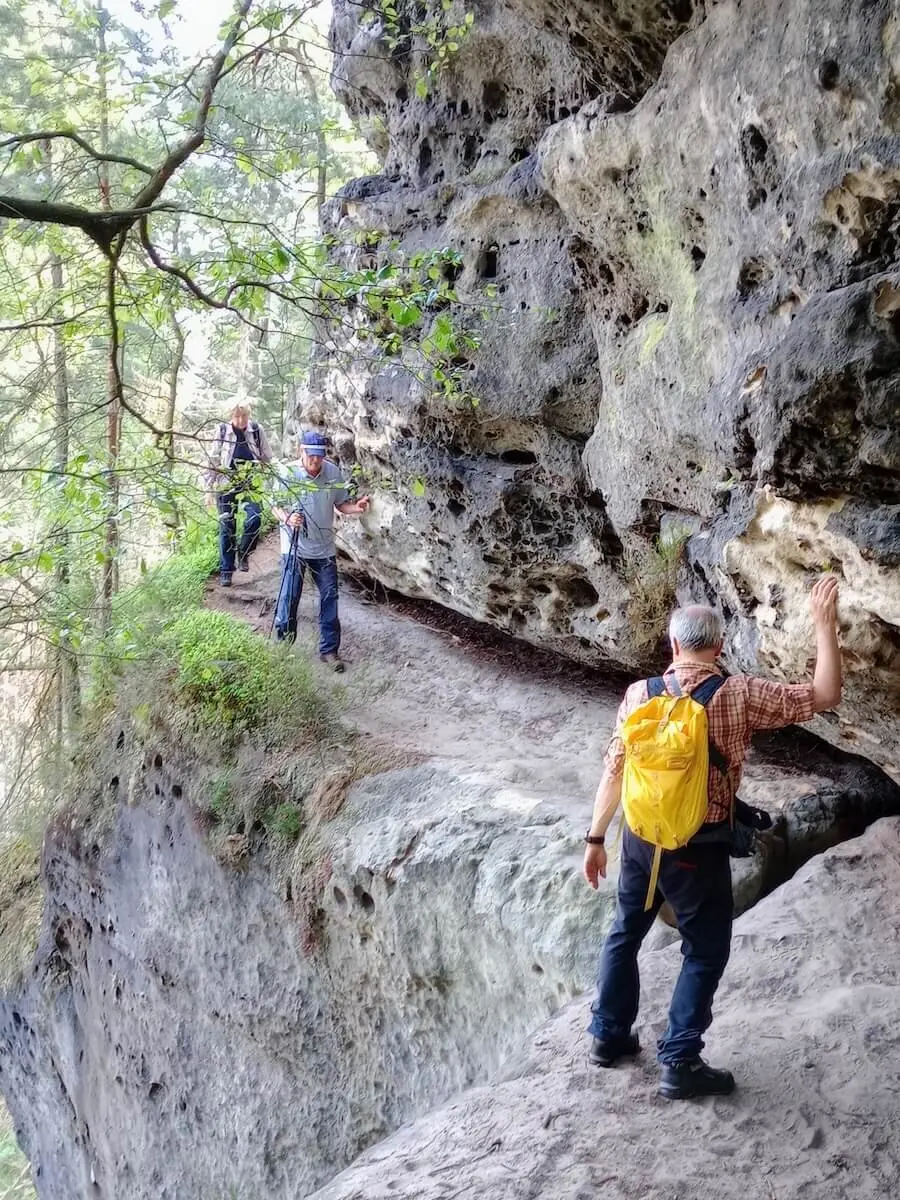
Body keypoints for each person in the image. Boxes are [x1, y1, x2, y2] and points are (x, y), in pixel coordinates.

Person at [583, 577, 842, 1099]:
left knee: (624, 933)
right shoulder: (739, 693)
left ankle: (608, 1038)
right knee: (704, 950)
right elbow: (824, 695)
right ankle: (679, 1060)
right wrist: (822, 624)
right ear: (719, 648)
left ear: (673, 645)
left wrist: (594, 839)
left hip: (639, 839)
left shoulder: (639, 694)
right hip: (696, 849)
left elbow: (614, 771)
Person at [271, 431, 370, 672]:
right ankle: (283, 647)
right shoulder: (288, 473)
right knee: (289, 596)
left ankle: (329, 651)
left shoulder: (332, 472)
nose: (316, 461)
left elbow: (340, 504)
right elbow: (274, 504)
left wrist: (355, 508)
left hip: (324, 548)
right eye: (311, 456)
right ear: (301, 452)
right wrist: (287, 518)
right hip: (294, 547)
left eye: (320, 456)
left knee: (330, 597)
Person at [204, 404, 274, 587]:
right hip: (226, 483)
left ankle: (244, 552)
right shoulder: (221, 432)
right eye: (237, 416)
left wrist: (267, 478)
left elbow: (267, 457)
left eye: (244, 416)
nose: (241, 420)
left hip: (251, 482)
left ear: (248, 415)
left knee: (255, 518)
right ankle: (226, 570)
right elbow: (213, 460)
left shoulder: (257, 431)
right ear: (231, 416)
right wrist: (208, 489)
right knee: (227, 525)